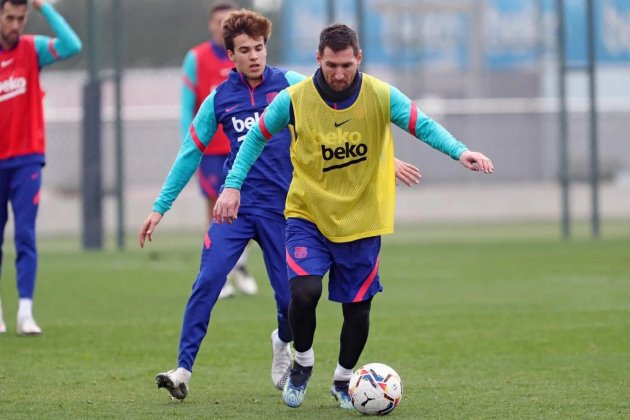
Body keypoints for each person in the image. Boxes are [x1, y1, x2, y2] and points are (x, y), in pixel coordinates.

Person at [139, 11, 420, 402]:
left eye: (259, 48)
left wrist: (386, 162)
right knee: (207, 281)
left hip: (285, 211)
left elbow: (334, 129)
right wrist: (159, 208)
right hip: (234, 209)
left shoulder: (292, 86)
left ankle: (283, 343)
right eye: (244, 50)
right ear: (231, 55)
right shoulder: (219, 99)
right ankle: (183, 370)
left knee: (293, 301)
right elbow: (190, 153)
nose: (254, 56)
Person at [213, 23, 494, 410]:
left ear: (358, 58)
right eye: (331, 65)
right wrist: (232, 185)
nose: (340, 73)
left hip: (362, 219)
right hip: (307, 214)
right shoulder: (294, 99)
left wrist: (460, 152)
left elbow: (422, 124)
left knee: (358, 308)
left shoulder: (379, 94)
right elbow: (256, 137)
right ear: (318, 59)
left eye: (346, 64)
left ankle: (344, 380)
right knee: (304, 291)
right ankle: (303, 362)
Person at [0, 0, 81, 335]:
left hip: (27, 158)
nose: (16, 24)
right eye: (9, 18)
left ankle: (25, 312)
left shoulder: (32, 50)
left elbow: (72, 45)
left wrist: (44, 8)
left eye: (21, 18)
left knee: (24, 234)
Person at [181, 0, 257, 299]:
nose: (223, 25)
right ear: (211, 25)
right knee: (216, 211)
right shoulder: (196, 58)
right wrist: (189, 146)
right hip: (212, 152)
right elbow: (187, 105)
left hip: (248, 148)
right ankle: (219, 274)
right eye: (218, 21)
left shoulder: (249, 55)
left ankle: (238, 263)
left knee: (255, 207)